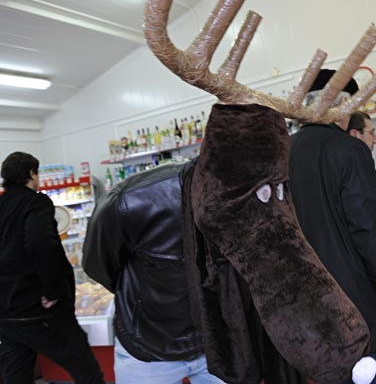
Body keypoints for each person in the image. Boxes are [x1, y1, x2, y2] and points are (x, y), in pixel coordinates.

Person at [289, 70, 376, 384]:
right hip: (362, 315)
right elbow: (374, 238)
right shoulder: (347, 150)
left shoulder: (284, 151)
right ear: (342, 103)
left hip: (312, 316)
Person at [82, 161, 224, 384]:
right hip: (147, 346)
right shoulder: (129, 199)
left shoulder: (254, 194)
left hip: (219, 344)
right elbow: (98, 265)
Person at [0, 152, 105, 384]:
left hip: (6, 314)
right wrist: (54, 291)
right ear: (31, 174)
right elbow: (42, 246)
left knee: (15, 376)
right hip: (39, 310)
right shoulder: (35, 202)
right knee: (87, 372)